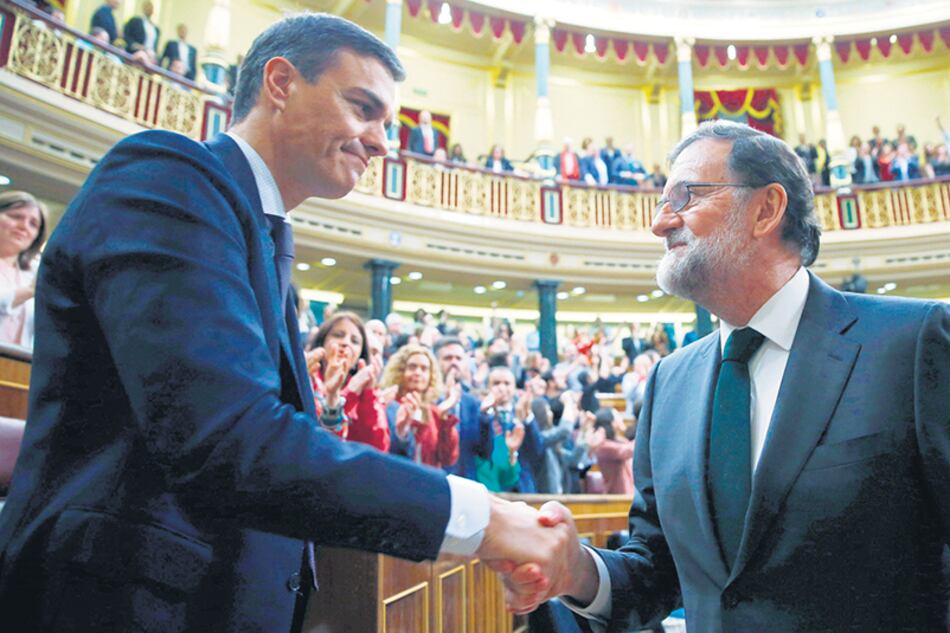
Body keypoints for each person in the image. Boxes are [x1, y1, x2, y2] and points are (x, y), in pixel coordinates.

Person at [0, 14, 571, 633]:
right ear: (280, 83)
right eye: (363, 108)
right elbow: (228, 441)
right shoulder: (168, 178)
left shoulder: (261, 240)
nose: (382, 142)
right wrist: (485, 520)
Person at [501, 120, 949, 631]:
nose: (660, 223)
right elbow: (658, 570)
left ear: (766, 209)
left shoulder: (910, 343)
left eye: (684, 196)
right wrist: (576, 570)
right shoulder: (669, 382)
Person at [304, 311, 388, 451]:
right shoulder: (306, 376)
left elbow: (378, 448)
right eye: (338, 335)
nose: (346, 343)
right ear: (322, 342)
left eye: (354, 341)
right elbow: (317, 440)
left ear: (360, 355)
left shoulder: (366, 389)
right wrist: (349, 393)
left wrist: (367, 394)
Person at [381, 344, 460, 469]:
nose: (418, 373)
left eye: (424, 369)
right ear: (400, 371)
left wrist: (444, 417)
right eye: (412, 367)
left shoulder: (434, 412)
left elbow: (448, 458)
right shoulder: (387, 405)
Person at [0, 191, 46, 350]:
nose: (24, 226)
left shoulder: (32, 272)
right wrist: (30, 291)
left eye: (33, 224)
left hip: (15, 367)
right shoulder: (34, 284)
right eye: (16, 217)